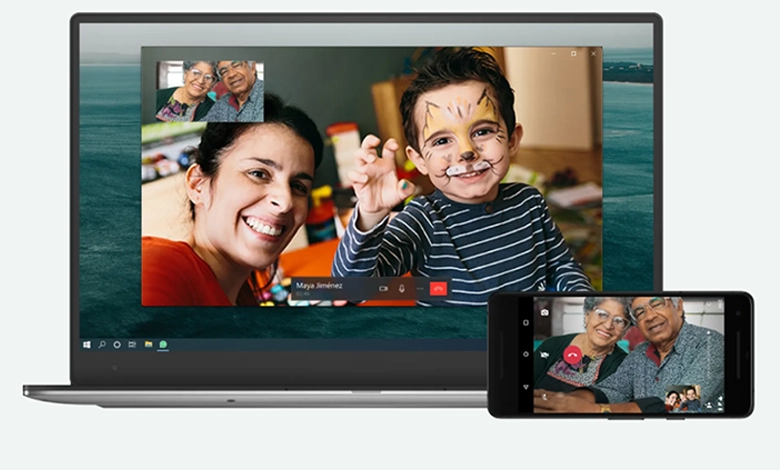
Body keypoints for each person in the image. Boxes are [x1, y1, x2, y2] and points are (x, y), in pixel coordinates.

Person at [331, 48, 592, 306]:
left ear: (512, 140)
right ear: (419, 159)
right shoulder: (422, 220)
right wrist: (370, 214)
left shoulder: (529, 202)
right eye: (442, 140)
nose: (466, 152)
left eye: (482, 132)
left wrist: (584, 302)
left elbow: (561, 266)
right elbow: (351, 290)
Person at [142, 93, 323, 306]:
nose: (285, 202)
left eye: (299, 186)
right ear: (198, 184)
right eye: (258, 173)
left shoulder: (240, 293)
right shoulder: (157, 271)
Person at [533, 297, 725, 413]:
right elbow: (613, 390)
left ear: (678, 307)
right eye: (640, 312)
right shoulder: (640, 354)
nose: (650, 316)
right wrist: (567, 400)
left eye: (657, 304)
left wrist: (594, 410)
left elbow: (679, 404)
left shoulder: (710, 344)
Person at [534, 298, 630, 392]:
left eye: (619, 321)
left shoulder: (623, 366)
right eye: (602, 314)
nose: (608, 326)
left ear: (625, 331)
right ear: (587, 315)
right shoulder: (551, 345)